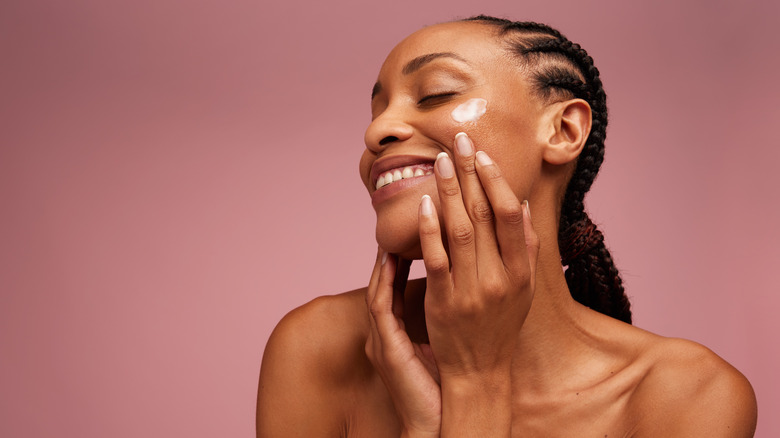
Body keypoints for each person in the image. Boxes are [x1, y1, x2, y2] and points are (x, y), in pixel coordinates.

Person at [256, 15, 757, 437]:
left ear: (563, 130)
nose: (375, 131)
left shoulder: (688, 397)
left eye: (435, 93)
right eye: (378, 109)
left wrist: (475, 384)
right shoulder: (319, 349)